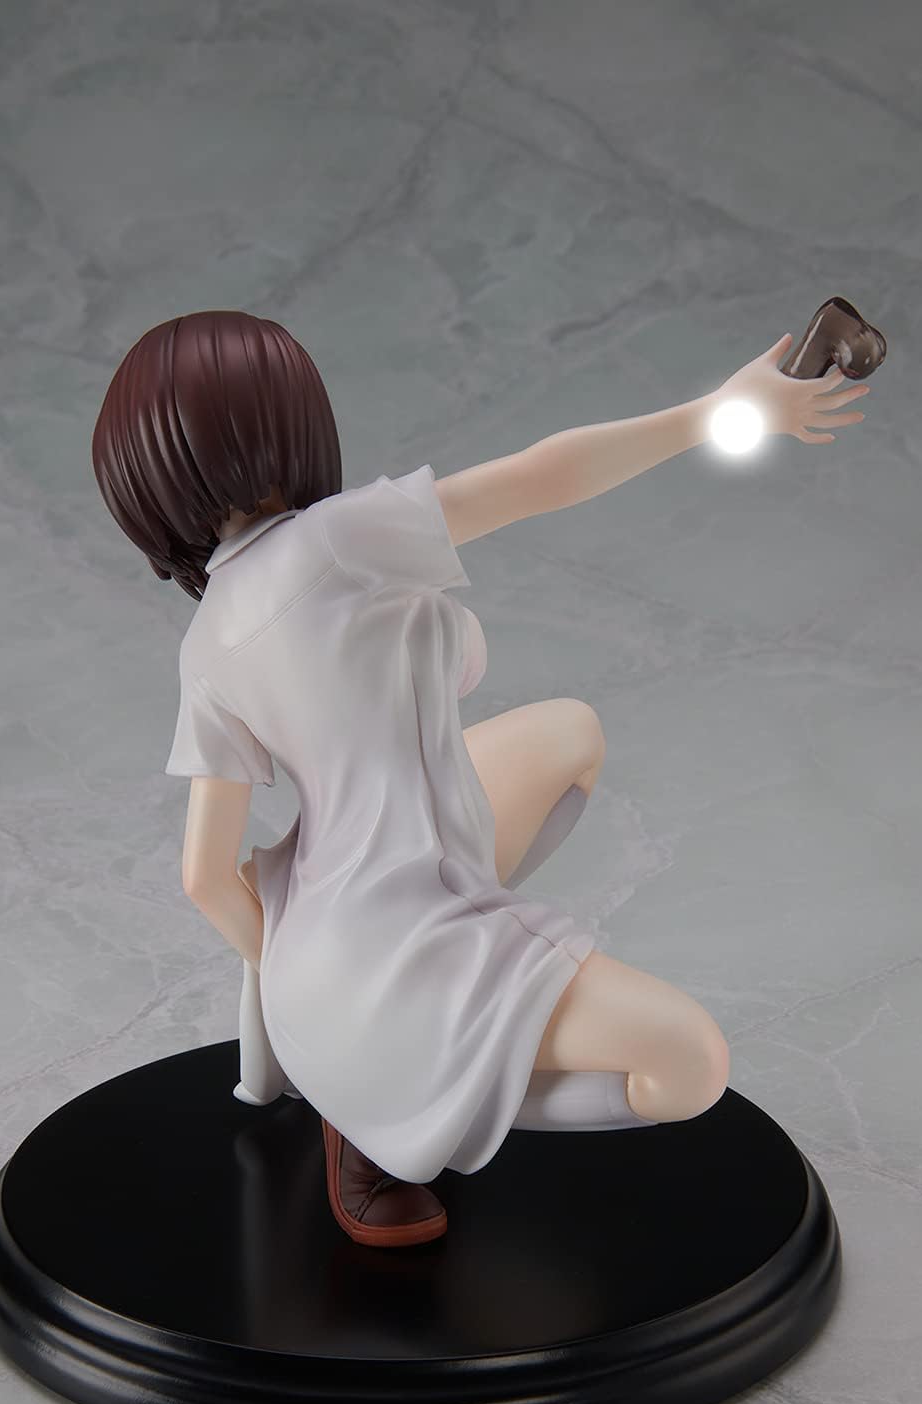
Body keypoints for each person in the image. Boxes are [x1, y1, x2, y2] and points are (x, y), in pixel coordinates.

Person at [92, 311, 869, 1247]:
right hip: (387, 944)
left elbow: (205, 878)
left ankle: (375, 1053)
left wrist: (297, 981)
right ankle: (398, 1105)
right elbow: (545, 476)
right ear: (284, 422)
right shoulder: (338, 538)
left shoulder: (206, 642)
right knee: (689, 1067)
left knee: (570, 734)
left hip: (335, 922)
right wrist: (715, 412)